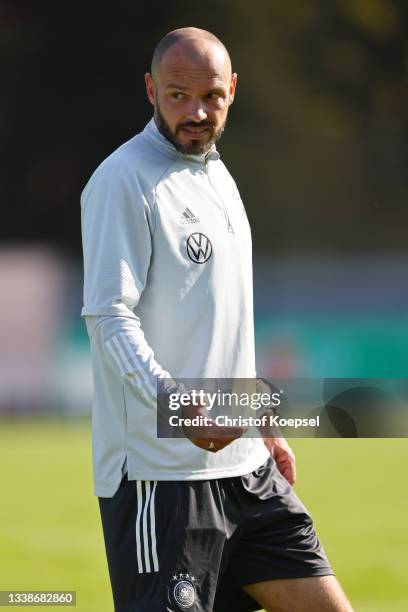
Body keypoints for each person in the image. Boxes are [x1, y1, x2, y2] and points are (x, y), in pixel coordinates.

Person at [81, 27, 353, 612]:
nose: (196, 112)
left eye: (211, 96)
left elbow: (225, 316)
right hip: (163, 479)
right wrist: (175, 403)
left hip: (248, 472)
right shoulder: (122, 181)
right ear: (152, 90)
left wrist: (262, 422)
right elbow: (107, 315)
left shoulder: (220, 177)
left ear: (232, 89)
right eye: (178, 95)